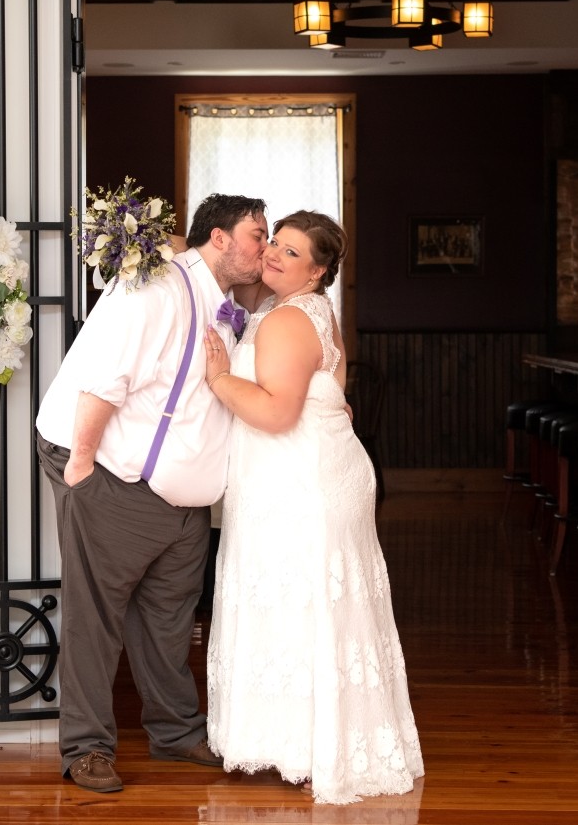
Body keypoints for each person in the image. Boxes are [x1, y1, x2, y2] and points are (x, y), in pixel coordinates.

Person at [34, 193, 269, 793]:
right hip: (113, 476)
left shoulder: (223, 304)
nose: (263, 248)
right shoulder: (156, 286)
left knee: (169, 620)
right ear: (219, 238)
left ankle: (175, 733)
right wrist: (82, 470)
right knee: (96, 618)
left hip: (182, 502)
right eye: (257, 235)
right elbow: (104, 376)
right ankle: (86, 747)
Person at [200, 210, 424, 804]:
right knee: (316, 606)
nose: (273, 254)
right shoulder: (301, 309)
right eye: (273, 242)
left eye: (292, 252)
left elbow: (277, 412)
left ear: (318, 270)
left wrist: (220, 379)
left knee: (298, 606)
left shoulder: (288, 319)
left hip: (299, 489)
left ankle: (306, 747)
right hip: (312, 477)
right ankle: (310, 740)